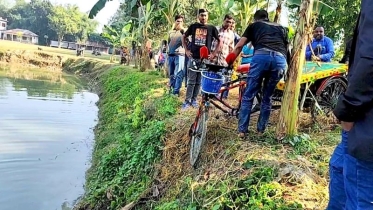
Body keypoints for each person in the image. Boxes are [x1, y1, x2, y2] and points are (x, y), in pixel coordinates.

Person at [329, 1, 373, 209]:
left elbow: (369, 60)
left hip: (365, 123)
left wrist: (347, 109)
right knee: (338, 167)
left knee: (360, 198)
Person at [228, 9, 288, 138]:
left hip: (261, 57)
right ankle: (261, 131)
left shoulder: (254, 25)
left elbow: (239, 46)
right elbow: (287, 50)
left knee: (249, 94)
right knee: (268, 96)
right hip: (280, 61)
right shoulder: (281, 28)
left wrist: (229, 62)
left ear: (256, 19)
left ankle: (242, 131)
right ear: (267, 17)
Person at [181, 8, 221, 109]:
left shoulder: (211, 28)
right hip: (194, 58)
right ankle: (187, 101)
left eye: (205, 15)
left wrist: (213, 53)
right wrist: (186, 50)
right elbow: (183, 37)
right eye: (201, 15)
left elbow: (219, 41)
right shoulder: (193, 26)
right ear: (198, 16)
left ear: (208, 16)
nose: (203, 17)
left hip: (205, 59)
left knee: (199, 81)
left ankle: (194, 100)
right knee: (191, 81)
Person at [167, 15, 186, 95]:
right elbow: (169, 42)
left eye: (181, 21)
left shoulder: (184, 31)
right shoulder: (171, 32)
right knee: (171, 74)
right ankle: (171, 90)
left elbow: (187, 42)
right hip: (171, 55)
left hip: (179, 56)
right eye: (178, 21)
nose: (179, 23)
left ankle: (176, 91)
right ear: (175, 22)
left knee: (178, 74)